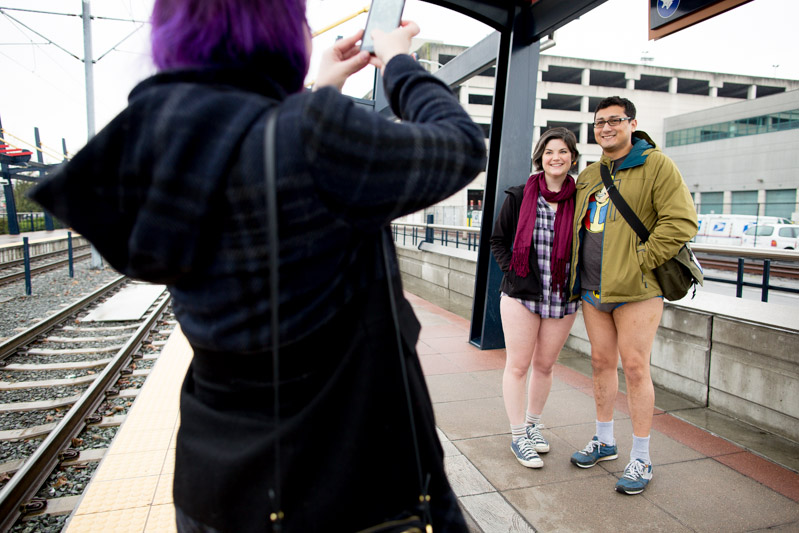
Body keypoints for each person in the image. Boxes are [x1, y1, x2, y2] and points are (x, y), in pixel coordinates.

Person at [29, 0, 486, 530]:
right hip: (348, 476)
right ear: (280, 30)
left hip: (218, 486)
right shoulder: (313, 134)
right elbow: (458, 145)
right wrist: (400, 64)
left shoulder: (151, 145)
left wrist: (321, 92)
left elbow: (261, 177)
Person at [567, 96, 697, 494]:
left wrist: (641, 259)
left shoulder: (656, 164)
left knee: (636, 368)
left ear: (632, 123)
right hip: (592, 289)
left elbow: (681, 221)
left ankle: (641, 458)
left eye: (614, 121)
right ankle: (604, 440)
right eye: (599, 122)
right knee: (601, 364)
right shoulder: (590, 174)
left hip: (637, 290)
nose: (606, 128)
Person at [490, 127, 580, 469]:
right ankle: (517, 436)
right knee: (517, 365)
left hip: (562, 296)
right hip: (521, 295)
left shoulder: (581, 199)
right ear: (540, 157)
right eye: (549, 151)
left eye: (562, 151)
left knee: (545, 365)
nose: (555, 157)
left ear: (572, 157)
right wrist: (513, 274)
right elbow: (498, 241)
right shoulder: (519, 195)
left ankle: (533, 425)